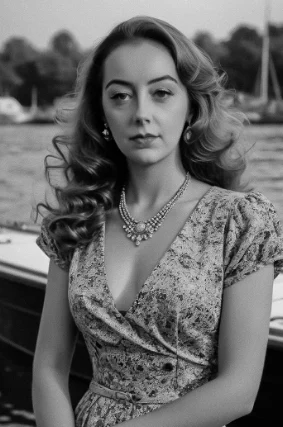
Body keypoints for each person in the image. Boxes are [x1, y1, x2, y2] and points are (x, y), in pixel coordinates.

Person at [32, 15, 283, 427]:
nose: (141, 113)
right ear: (103, 114)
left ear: (190, 107)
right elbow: (50, 365)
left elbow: (239, 389)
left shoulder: (240, 221)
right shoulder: (78, 220)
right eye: (121, 96)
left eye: (162, 92)